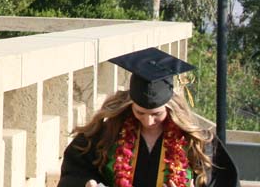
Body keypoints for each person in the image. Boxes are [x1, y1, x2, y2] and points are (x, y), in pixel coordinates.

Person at [58, 48, 239, 187]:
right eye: (140, 112)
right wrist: (87, 183)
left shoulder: (197, 142)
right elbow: (74, 172)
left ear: (170, 108)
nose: (148, 121)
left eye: (156, 114)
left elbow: (224, 182)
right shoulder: (107, 134)